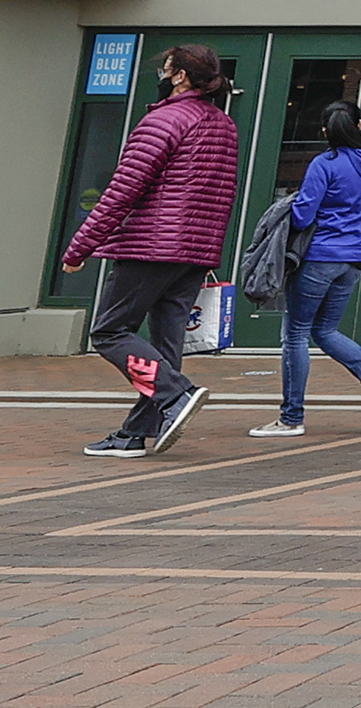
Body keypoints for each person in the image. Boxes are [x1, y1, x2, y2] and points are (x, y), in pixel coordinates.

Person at [62, 41, 243, 460]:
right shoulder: (223, 124)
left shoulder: (163, 121)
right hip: (195, 248)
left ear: (179, 76)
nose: (161, 73)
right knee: (166, 343)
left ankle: (176, 396)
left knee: (109, 331)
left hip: (152, 243)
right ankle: (134, 433)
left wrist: (79, 247)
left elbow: (123, 191)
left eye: (166, 67)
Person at [255, 99, 361, 438]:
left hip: (321, 256)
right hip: (356, 258)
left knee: (295, 334)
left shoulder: (325, 164)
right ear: (359, 125)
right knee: (325, 330)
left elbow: (304, 215)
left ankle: (291, 418)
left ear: (325, 131)